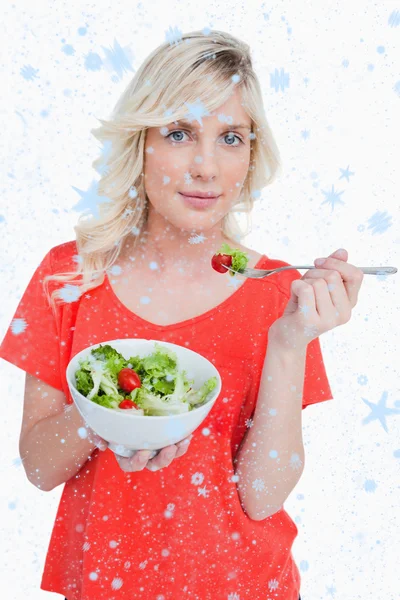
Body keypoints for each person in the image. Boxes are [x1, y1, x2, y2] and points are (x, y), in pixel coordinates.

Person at [0, 29, 363, 600]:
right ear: (140, 142)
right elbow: (40, 468)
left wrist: (290, 342)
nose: (207, 167)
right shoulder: (68, 276)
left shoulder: (277, 292)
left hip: (244, 586)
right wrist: (104, 418)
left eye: (231, 138)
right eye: (179, 133)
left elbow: (264, 494)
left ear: (252, 152)